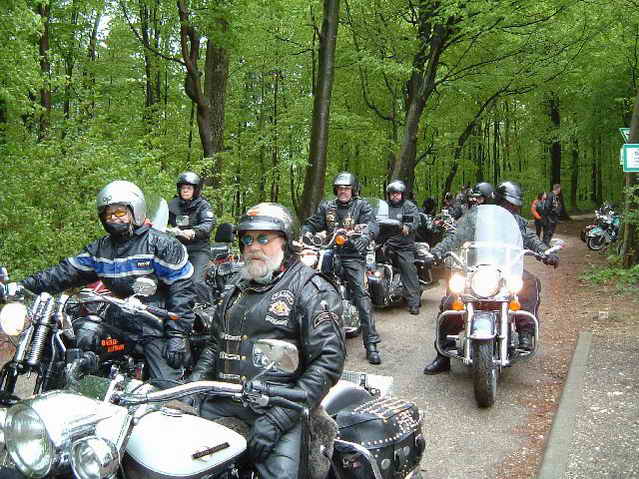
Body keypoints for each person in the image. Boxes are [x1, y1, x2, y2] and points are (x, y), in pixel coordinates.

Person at [187, 202, 345, 479]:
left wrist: (278, 419)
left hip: (282, 405)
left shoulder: (311, 289)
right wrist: (192, 390)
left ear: (286, 242)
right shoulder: (237, 285)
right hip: (223, 399)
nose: (253, 247)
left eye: (263, 238)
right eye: (247, 240)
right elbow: (215, 345)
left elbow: (328, 361)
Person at [17, 180, 196, 381]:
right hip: (118, 323)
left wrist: (177, 335)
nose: (113, 218)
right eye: (108, 214)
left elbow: (181, 291)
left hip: (155, 326)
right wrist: (21, 286)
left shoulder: (161, 245)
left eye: (119, 212)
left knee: (165, 384)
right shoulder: (101, 249)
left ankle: (175, 394)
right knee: (80, 341)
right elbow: (62, 273)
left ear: (135, 211)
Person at [422, 180, 559, 375]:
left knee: (529, 284)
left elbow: (530, 238)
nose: (510, 208)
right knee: (452, 299)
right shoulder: (475, 219)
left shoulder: (517, 221)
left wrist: (545, 252)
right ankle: (442, 354)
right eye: (507, 204)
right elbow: (454, 237)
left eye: (514, 206)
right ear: (497, 201)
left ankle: (525, 332)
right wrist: (436, 252)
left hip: (506, 270)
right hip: (475, 270)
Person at [301, 172, 382, 365]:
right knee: (308, 284)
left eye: (346, 188)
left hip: (352, 254)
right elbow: (313, 223)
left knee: (362, 294)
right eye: (339, 188)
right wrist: (305, 232)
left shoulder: (362, 206)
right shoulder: (327, 207)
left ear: (353, 190)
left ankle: (371, 344)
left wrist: (365, 237)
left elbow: (372, 225)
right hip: (329, 252)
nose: (343, 191)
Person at [378, 180, 422, 315]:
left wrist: (406, 227)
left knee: (407, 268)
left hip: (404, 245)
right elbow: (376, 219)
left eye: (397, 193)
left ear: (402, 194)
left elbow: (412, 223)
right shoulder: (384, 207)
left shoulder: (409, 207)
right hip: (385, 242)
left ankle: (414, 302)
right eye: (392, 193)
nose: (394, 196)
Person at [168, 171, 216, 288]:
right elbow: (162, 218)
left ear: (195, 190)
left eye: (189, 188)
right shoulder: (172, 205)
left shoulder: (203, 206)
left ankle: (204, 299)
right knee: (165, 278)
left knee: (195, 282)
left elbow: (208, 223)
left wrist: (194, 231)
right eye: (183, 188)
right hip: (177, 248)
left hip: (198, 249)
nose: (185, 190)